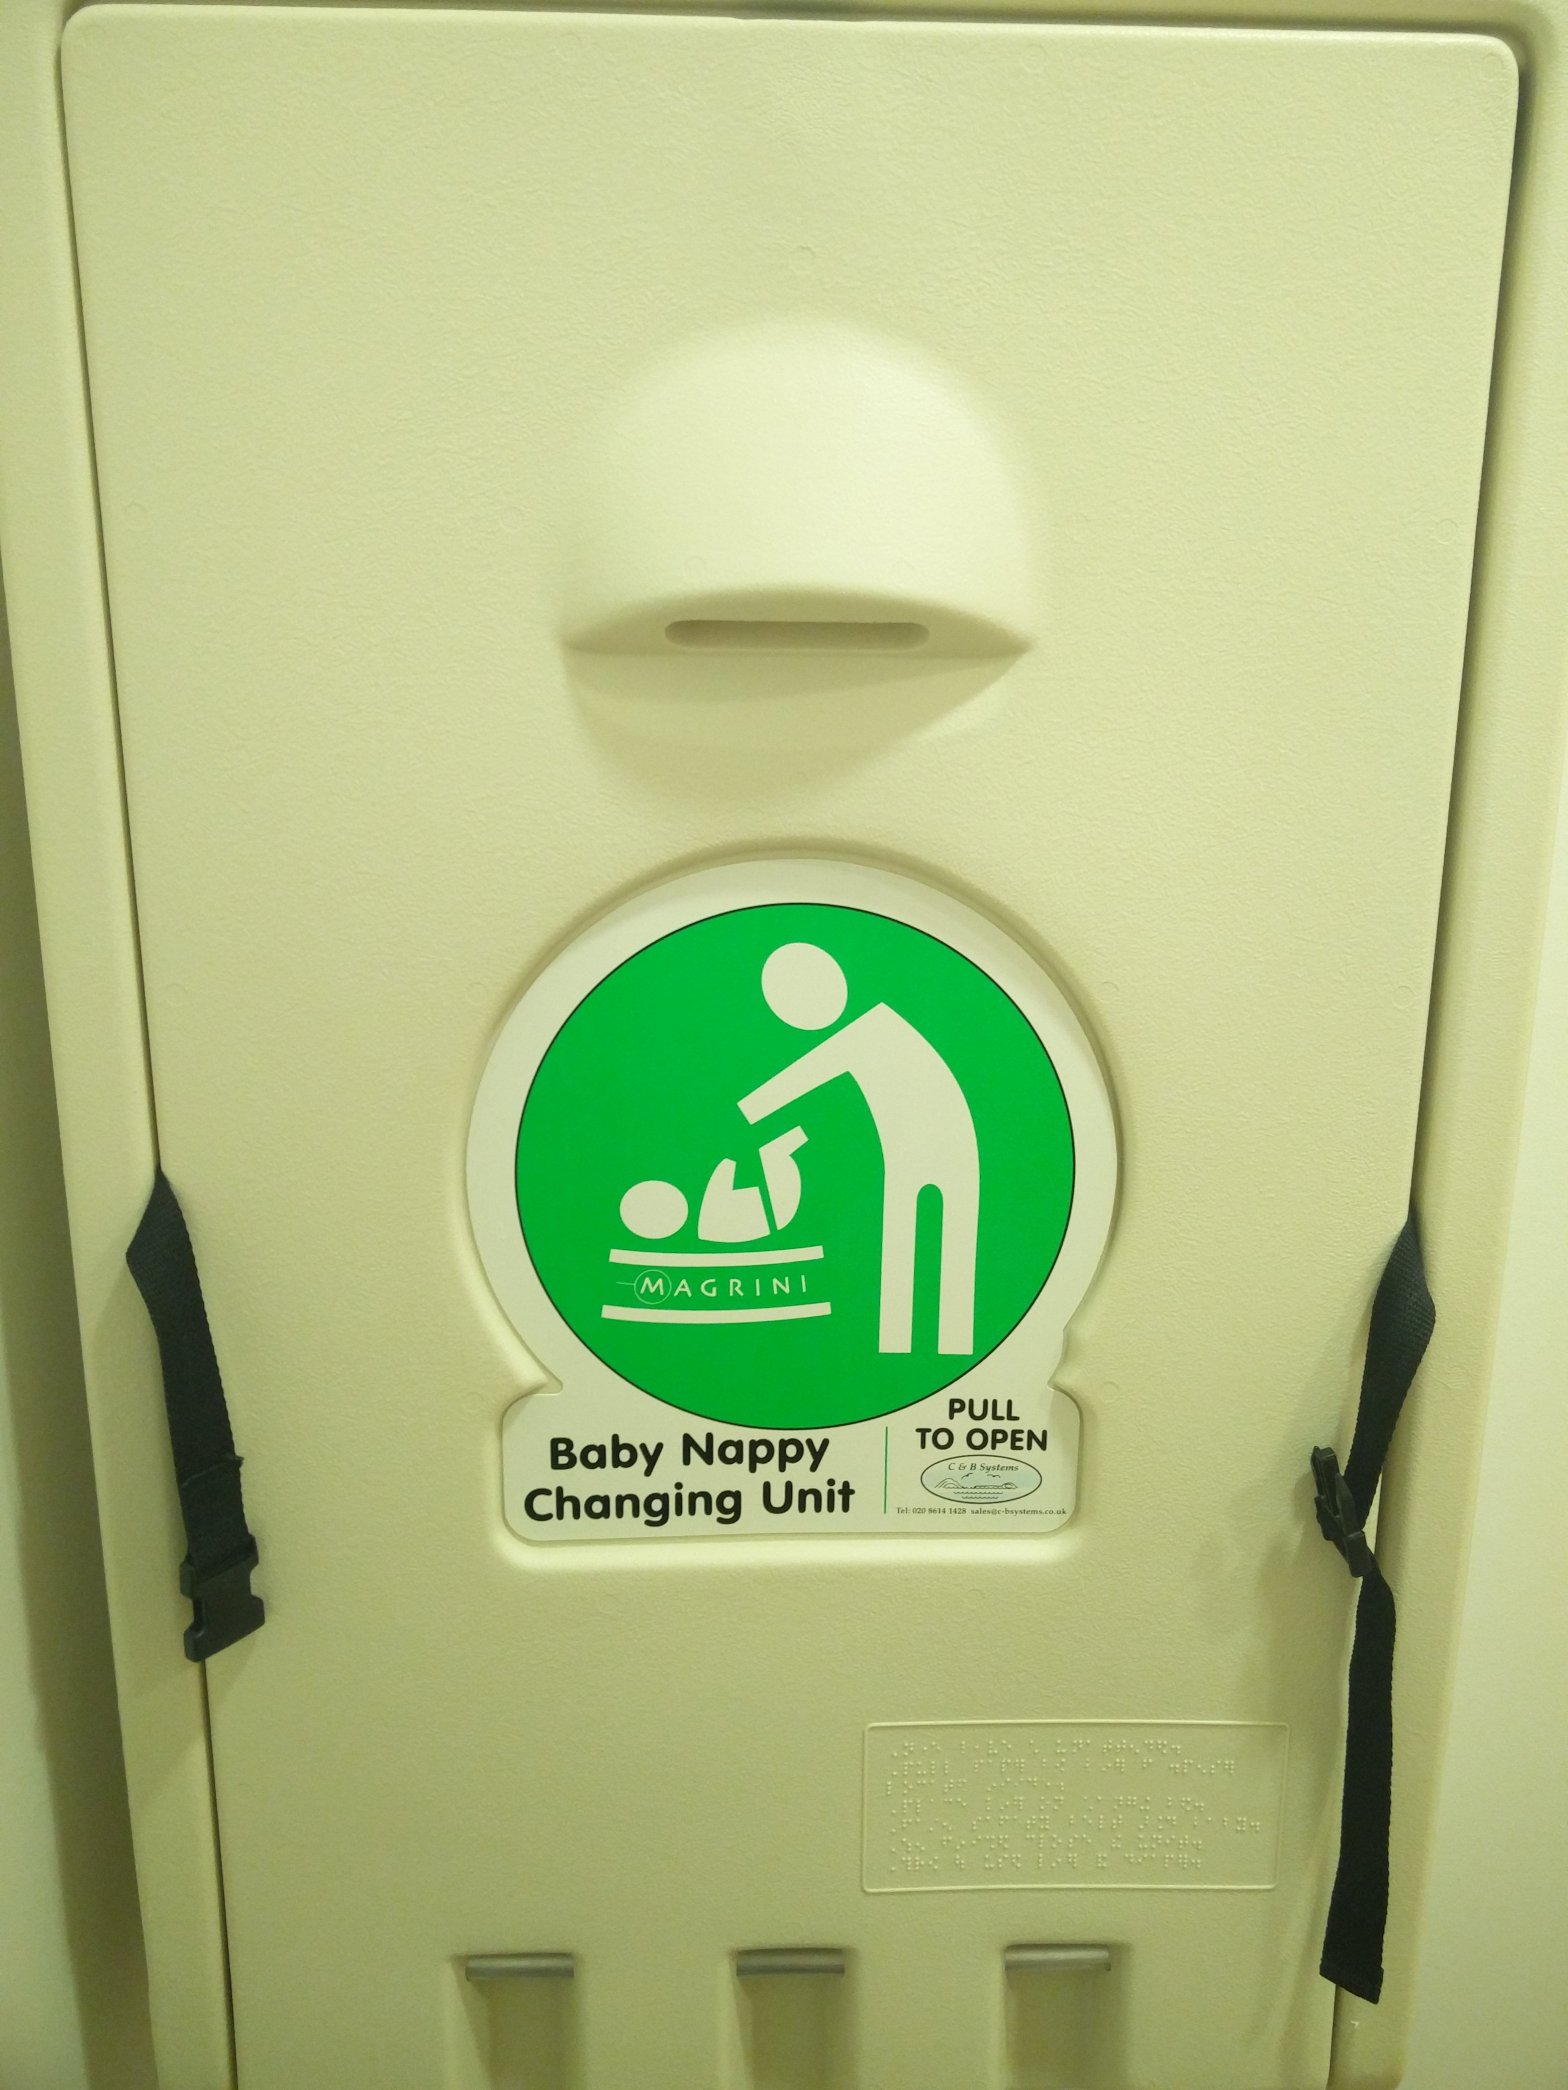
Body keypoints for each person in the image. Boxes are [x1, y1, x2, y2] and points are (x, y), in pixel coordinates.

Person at [739, 942, 979, 1354]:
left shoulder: (871, 1030)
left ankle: (938, 1341)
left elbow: (805, 1075)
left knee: (937, 1242)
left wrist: (753, 1107)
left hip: (949, 1156)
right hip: (919, 1159)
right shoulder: (876, 1030)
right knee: (913, 1238)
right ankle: (912, 1342)